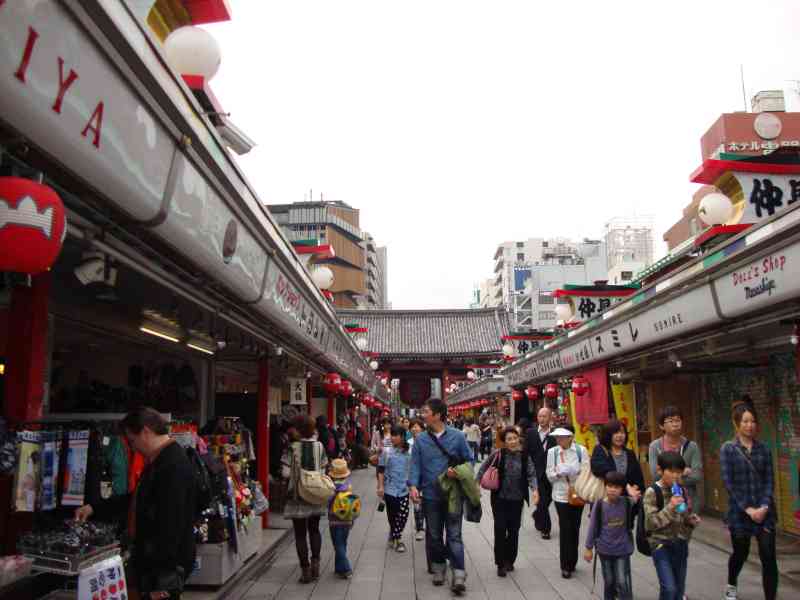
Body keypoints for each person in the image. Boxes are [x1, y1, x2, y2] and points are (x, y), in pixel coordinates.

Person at [74, 407, 196, 600]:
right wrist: (94, 507)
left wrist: (160, 582)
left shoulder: (172, 466)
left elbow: (171, 526)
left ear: (146, 432)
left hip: (162, 570)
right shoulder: (160, 461)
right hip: (154, 566)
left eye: (132, 440)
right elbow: (136, 499)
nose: (132, 447)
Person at [409, 399, 473, 593]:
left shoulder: (458, 436)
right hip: (430, 495)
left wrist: (459, 471)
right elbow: (415, 465)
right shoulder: (421, 440)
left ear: (437, 415)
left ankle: (459, 573)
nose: (422, 414)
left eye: (426, 411)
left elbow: (470, 460)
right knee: (434, 535)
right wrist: (413, 485)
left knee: (454, 535)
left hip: (453, 494)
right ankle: (438, 567)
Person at [720, 404, 778, 600]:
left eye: (753, 421)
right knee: (740, 554)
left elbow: (770, 479)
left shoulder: (764, 449)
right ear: (737, 424)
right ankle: (731, 584)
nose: (750, 425)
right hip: (740, 512)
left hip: (765, 512)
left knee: (768, 557)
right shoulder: (728, 449)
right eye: (745, 421)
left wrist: (763, 506)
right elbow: (729, 483)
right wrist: (748, 509)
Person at [477, 426, 539, 577]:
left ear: (519, 439)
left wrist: (535, 490)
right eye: (509, 439)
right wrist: (476, 485)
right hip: (499, 499)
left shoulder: (524, 456)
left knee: (513, 531)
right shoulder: (498, 454)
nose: (512, 441)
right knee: (500, 529)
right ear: (504, 442)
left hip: (517, 500)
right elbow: (483, 468)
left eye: (514, 438)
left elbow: (531, 474)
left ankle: (510, 560)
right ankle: (500, 563)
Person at [644, 451, 701, 600]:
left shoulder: (681, 490)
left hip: (680, 544)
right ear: (660, 470)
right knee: (669, 588)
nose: (675, 476)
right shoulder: (652, 492)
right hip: (660, 545)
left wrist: (690, 521)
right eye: (671, 472)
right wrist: (670, 506)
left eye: (679, 473)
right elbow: (651, 523)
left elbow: (682, 518)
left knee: (678, 590)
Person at [282, 415, 329, 583]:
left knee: (300, 534)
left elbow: (285, 473)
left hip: (297, 496)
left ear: (299, 429)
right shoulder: (319, 446)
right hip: (315, 493)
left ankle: (305, 570)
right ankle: (316, 565)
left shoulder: (292, 447)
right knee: (314, 529)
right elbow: (324, 469)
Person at [584, 471, 641, 600]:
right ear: (605, 486)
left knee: (622, 581)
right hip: (605, 549)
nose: (612, 490)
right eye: (609, 486)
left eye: (616, 487)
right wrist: (588, 548)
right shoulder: (599, 505)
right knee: (609, 581)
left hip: (622, 549)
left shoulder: (626, 502)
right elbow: (592, 527)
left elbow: (636, 499)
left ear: (622, 489)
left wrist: (634, 494)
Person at [545, 426, 589, 579]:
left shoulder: (580, 451)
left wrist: (575, 471)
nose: (559, 440)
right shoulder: (553, 452)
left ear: (571, 437)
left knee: (575, 527)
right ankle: (565, 565)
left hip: (578, 493)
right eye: (557, 437)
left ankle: (573, 560)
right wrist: (558, 473)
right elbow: (549, 474)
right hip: (560, 494)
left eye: (562, 437)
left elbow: (586, 471)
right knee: (565, 528)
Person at [648, 406, 703, 512]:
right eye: (670, 421)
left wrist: (667, 474)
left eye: (678, 420)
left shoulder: (692, 446)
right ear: (661, 426)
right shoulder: (655, 446)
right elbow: (655, 475)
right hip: (663, 500)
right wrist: (683, 471)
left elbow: (697, 476)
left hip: (688, 502)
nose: (675, 423)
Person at [378, 425, 412, 552]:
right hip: (389, 489)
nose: (392, 437)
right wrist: (380, 486)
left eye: (395, 435)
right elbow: (380, 470)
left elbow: (412, 470)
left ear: (402, 437)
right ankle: (397, 539)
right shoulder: (386, 452)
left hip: (404, 489)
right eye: (391, 434)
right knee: (392, 515)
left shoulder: (409, 453)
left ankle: (396, 535)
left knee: (403, 514)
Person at [591, 419, 645, 497]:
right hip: (605, 501)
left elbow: (639, 478)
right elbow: (601, 470)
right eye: (615, 432)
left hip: (626, 501)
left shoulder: (630, 454)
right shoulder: (600, 450)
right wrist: (627, 486)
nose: (619, 435)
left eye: (622, 432)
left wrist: (635, 488)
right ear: (608, 435)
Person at [527, 406, 556, 539]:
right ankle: (546, 529)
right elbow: (526, 453)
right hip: (536, 474)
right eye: (540, 416)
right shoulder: (531, 432)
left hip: (552, 474)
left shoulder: (555, 434)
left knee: (548, 499)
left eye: (545, 416)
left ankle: (537, 514)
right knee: (542, 502)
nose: (542, 419)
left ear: (550, 417)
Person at [328, 458, 356, 579]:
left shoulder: (331, 487)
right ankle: (338, 568)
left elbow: (328, 502)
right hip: (347, 520)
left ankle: (346, 568)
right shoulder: (348, 485)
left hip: (334, 521)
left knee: (337, 544)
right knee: (342, 543)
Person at [408, 418, 426, 541]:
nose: (415, 428)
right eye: (412, 426)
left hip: (426, 477)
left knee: (426, 502)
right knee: (416, 503)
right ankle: (419, 528)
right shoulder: (407, 443)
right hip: (413, 477)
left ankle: (425, 524)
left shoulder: (427, 441)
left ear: (422, 428)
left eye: (417, 426)